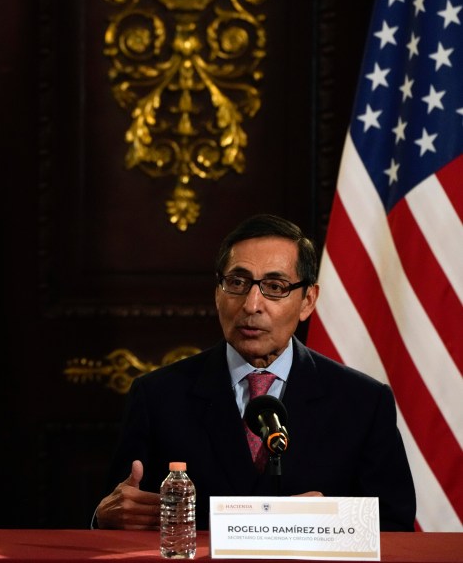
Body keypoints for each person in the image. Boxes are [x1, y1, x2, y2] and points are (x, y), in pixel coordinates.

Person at [94, 214, 415, 531]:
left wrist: (326, 523)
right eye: (237, 282)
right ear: (217, 291)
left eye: (275, 286)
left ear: (308, 301)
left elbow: (393, 523)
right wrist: (105, 519)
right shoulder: (158, 396)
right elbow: (120, 509)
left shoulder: (363, 402)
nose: (251, 304)